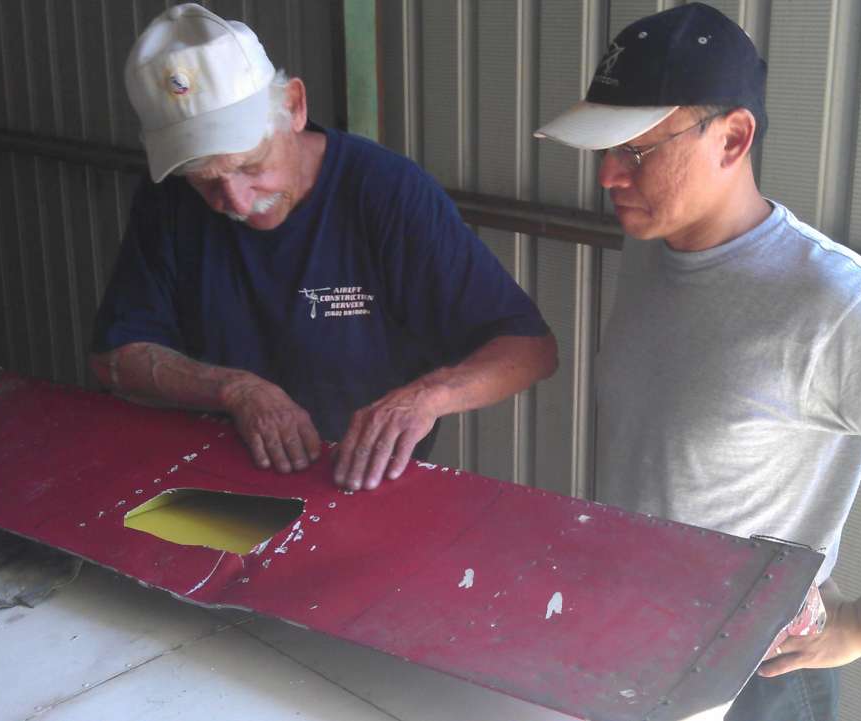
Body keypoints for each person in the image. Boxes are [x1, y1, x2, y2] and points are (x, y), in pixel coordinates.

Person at [534, 4, 861, 720]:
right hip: (639, 643)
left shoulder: (835, 305)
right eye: (604, 150)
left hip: (752, 680)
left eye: (637, 151)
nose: (609, 176)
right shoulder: (652, 247)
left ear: (733, 138)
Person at [91, 4, 556, 491]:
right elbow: (113, 356)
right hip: (211, 469)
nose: (236, 201)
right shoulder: (166, 198)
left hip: (354, 480)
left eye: (251, 165)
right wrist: (236, 389)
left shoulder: (387, 192)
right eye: (204, 181)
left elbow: (530, 349)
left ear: (294, 106)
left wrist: (424, 397)